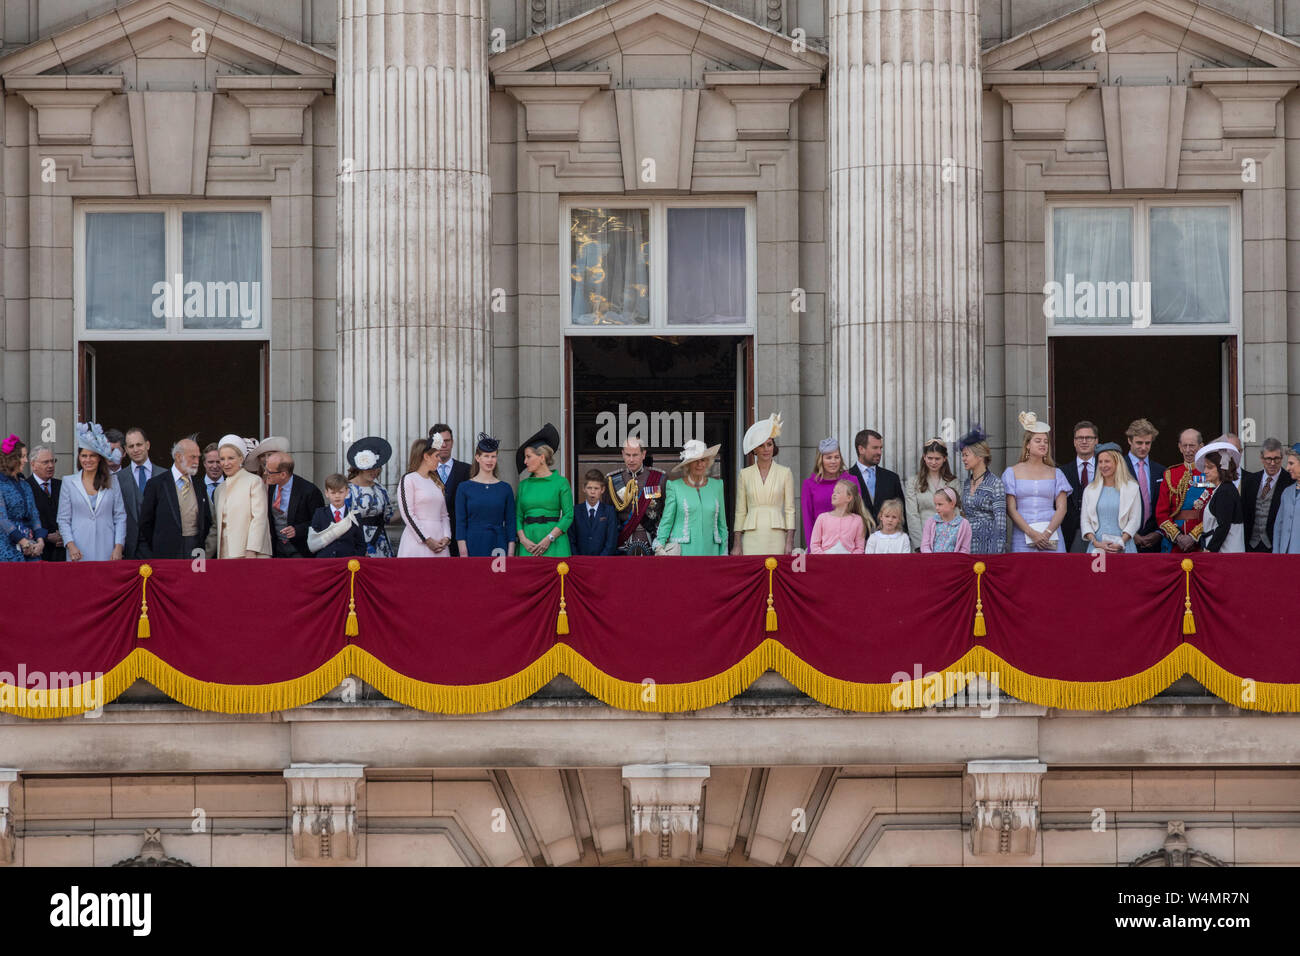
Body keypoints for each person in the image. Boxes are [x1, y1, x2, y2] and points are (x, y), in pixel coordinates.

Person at [1002, 411, 1071, 553]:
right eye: (1038, 441)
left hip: (1051, 535)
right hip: (1023, 534)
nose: (1043, 444)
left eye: (1046, 441)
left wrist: (1046, 533)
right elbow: (1011, 509)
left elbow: (1062, 508)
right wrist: (1032, 533)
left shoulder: (1056, 473)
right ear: (1027, 445)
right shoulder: (1012, 472)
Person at [56, 423, 125, 563]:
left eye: (92, 456)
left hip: (107, 549)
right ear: (79, 458)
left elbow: (120, 516)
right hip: (78, 550)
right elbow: (63, 519)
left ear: (99, 458)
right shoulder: (69, 482)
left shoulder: (112, 481)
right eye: (84, 456)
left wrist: (118, 547)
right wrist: (70, 545)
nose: (88, 460)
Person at [138, 437, 213, 560]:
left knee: (197, 579)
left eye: (198, 457)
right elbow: (146, 522)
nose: (197, 461)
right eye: (192, 457)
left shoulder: (199, 484)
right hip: (167, 552)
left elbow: (207, 519)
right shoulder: (156, 484)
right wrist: (160, 545)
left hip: (196, 551)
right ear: (178, 457)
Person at [732, 413, 796, 555]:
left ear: (774, 447)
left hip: (777, 535)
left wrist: (790, 541)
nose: (766, 449)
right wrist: (737, 543)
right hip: (751, 535)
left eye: (769, 444)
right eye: (761, 445)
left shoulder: (785, 472)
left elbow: (790, 509)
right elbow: (740, 510)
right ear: (754, 449)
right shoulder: (745, 474)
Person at [653, 439, 727, 556]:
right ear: (687, 464)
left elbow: (722, 523)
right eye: (695, 461)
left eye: (703, 460)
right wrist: (659, 545)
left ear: (707, 462)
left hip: (711, 551)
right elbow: (667, 520)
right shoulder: (674, 486)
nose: (700, 464)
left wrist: (724, 551)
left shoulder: (717, 486)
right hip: (684, 551)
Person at [207, 434, 272, 559]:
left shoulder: (254, 481)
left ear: (241, 459)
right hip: (225, 555)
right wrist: (205, 554)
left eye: (231, 458)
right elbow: (216, 526)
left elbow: (259, 518)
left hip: (251, 555)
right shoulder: (219, 490)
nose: (226, 463)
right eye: (222, 459)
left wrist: (251, 550)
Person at [516, 424, 573, 558]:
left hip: (555, 544)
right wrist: (523, 540)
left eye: (528, 457)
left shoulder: (561, 482)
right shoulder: (523, 485)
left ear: (542, 457)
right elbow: (517, 517)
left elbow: (568, 515)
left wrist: (550, 538)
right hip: (527, 544)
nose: (525, 461)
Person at [455, 434, 516, 557]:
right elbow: (460, 522)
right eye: (486, 456)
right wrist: (462, 550)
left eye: (493, 456)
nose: (490, 460)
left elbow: (510, 522)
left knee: (498, 576)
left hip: (498, 543)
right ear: (477, 458)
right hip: (473, 542)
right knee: (475, 576)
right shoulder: (464, 488)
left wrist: (510, 550)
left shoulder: (505, 488)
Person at [605, 436, 666, 556]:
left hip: (652, 539)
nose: (631, 459)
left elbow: (665, 513)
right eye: (628, 455)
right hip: (623, 540)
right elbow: (608, 515)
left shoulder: (659, 479)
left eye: (635, 455)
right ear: (623, 454)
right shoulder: (612, 480)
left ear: (643, 454)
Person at [397, 435, 452, 558]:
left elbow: (444, 515)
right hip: (417, 542)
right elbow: (407, 513)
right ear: (426, 456)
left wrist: (447, 537)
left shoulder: (436, 482)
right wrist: (426, 539)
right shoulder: (409, 479)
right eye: (436, 456)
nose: (439, 459)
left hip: (439, 542)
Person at [262, 450, 324, 558]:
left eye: (269, 471)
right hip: (276, 549)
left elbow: (320, 522)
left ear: (283, 474)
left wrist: (298, 530)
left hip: (300, 550)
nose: (265, 473)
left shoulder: (309, 491)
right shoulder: (270, 486)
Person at [1081, 443, 1139, 554]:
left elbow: (1134, 520)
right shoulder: (1090, 489)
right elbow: (1085, 520)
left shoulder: (1132, 488)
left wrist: (1121, 542)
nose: (1103, 465)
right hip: (1097, 548)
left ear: (1118, 463)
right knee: (1098, 572)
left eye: (1107, 461)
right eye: (1100, 462)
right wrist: (1095, 542)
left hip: (1124, 547)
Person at [904, 438, 960, 551]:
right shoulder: (913, 482)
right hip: (922, 539)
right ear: (924, 457)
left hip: (948, 541)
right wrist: (920, 545)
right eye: (930, 458)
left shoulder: (953, 482)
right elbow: (912, 515)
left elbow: (956, 512)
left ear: (944, 458)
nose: (933, 462)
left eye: (937, 458)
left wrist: (952, 541)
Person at [1156, 428, 1208, 553]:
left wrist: (1193, 536)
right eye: (1184, 446)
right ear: (1179, 447)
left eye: (1192, 446)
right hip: (1174, 543)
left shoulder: (1209, 473)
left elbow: (1214, 512)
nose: (1188, 450)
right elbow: (1161, 513)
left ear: (1201, 446)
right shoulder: (1170, 474)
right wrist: (1178, 537)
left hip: (1201, 542)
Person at [958, 426, 1006, 554]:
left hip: (988, 545)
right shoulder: (967, 483)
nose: (963, 459)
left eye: (966, 455)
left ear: (979, 456)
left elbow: (1000, 523)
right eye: (963, 455)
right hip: (967, 545)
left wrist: (996, 552)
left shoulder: (995, 483)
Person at [345, 437, 395, 558]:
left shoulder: (381, 489)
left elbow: (388, 517)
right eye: (370, 468)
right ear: (360, 468)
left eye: (377, 467)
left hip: (380, 544)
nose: (374, 472)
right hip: (355, 543)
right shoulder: (347, 490)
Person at [1242, 438, 1294, 552]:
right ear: (1261, 458)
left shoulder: (1290, 482)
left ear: (1282, 458)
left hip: (1275, 546)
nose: (1272, 463)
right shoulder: (1249, 481)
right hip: (1250, 545)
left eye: (1276, 459)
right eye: (1268, 459)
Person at [118, 426, 163, 558]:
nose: (136, 449)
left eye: (139, 444)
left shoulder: (165, 475)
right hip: (130, 549)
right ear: (126, 449)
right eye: (131, 446)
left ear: (147, 445)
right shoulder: (118, 479)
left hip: (158, 547)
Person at [0, 435, 46, 563]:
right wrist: (23, 541)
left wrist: (40, 541)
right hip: (6, 544)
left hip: (29, 544)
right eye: (23, 456)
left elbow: (34, 514)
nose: (26, 460)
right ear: (11, 459)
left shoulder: (25, 484)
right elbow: (2, 519)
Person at [1122, 418, 1165, 553]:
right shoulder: (1118, 467)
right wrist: (1130, 534)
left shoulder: (1161, 471)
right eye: (1139, 443)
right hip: (1124, 539)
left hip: (1154, 540)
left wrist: (1159, 532)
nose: (1144, 447)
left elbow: (1164, 504)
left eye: (1148, 443)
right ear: (1129, 440)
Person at [429, 424, 471, 557]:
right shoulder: (425, 472)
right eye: (439, 442)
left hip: (461, 535)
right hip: (432, 536)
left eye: (447, 441)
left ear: (452, 442)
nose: (444, 445)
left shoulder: (468, 470)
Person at [848, 428, 906, 523]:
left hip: (888, 536)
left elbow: (901, 515)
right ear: (861, 449)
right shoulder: (846, 478)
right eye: (875, 448)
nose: (879, 452)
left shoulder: (892, 478)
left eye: (880, 448)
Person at [1196, 442, 1245, 553]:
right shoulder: (1222, 489)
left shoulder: (1225, 492)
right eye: (1205, 467)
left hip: (1226, 553)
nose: (1205, 471)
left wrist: (1210, 550)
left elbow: (1223, 526)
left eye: (1210, 467)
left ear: (1221, 469)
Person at [802, 438, 849, 549]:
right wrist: (812, 548)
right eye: (829, 457)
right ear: (820, 460)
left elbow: (858, 514)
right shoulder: (809, 484)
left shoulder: (851, 480)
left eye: (837, 457)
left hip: (847, 545)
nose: (833, 461)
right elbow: (807, 520)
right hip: (821, 546)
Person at [1062, 420, 1100, 553]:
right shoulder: (1062, 472)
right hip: (1070, 535)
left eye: (1088, 438)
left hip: (1100, 532)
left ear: (1096, 441)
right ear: (1074, 441)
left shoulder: (1105, 469)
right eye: (1080, 438)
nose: (1084, 441)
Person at [308, 474, 366, 558]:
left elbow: (361, 544)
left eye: (340, 492)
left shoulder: (354, 516)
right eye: (333, 492)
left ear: (347, 492)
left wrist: (355, 559)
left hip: (348, 563)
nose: (337, 496)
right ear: (327, 493)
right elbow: (314, 542)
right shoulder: (319, 514)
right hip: (325, 563)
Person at [809, 478, 873, 554]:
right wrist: (823, 558)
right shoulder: (822, 518)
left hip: (848, 563)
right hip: (825, 562)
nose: (834, 494)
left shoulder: (857, 520)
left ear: (849, 498)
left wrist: (849, 561)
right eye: (834, 492)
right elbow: (814, 545)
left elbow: (859, 547)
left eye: (838, 492)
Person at [27, 445, 65, 561]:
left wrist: (64, 536)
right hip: (38, 552)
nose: (50, 466)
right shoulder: (26, 487)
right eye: (45, 462)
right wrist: (46, 536)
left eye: (53, 461)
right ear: (33, 465)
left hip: (62, 551)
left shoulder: (62, 486)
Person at [570, 469, 619, 556]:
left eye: (596, 488)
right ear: (584, 488)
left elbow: (611, 541)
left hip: (602, 562)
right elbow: (571, 539)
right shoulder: (575, 511)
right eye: (589, 488)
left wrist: (599, 561)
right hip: (580, 561)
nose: (592, 492)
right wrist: (578, 559)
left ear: (602, 490)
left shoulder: (609, 511)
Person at [920, 487, 971, 553]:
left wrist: (954, 561)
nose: (937, 508)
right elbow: (925, 546)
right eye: (935, 504)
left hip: (954, 562)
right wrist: (932, 558)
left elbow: (965, 549)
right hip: (933, 561)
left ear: (952, 504)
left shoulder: (964, 524)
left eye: (940, 504)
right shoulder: (931, 522)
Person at [1271, 444, 1300, 553]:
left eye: (1291, 463)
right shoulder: (1287, 492)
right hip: (1285, 557)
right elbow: (1279, 526)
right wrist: (1276, 554)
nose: (1287, 468)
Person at [201, 442, 225, 507]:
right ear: (204, 464)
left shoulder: (233, 485)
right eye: (211, 462)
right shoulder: (195, 488)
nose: (215, 466)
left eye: (218, 462)